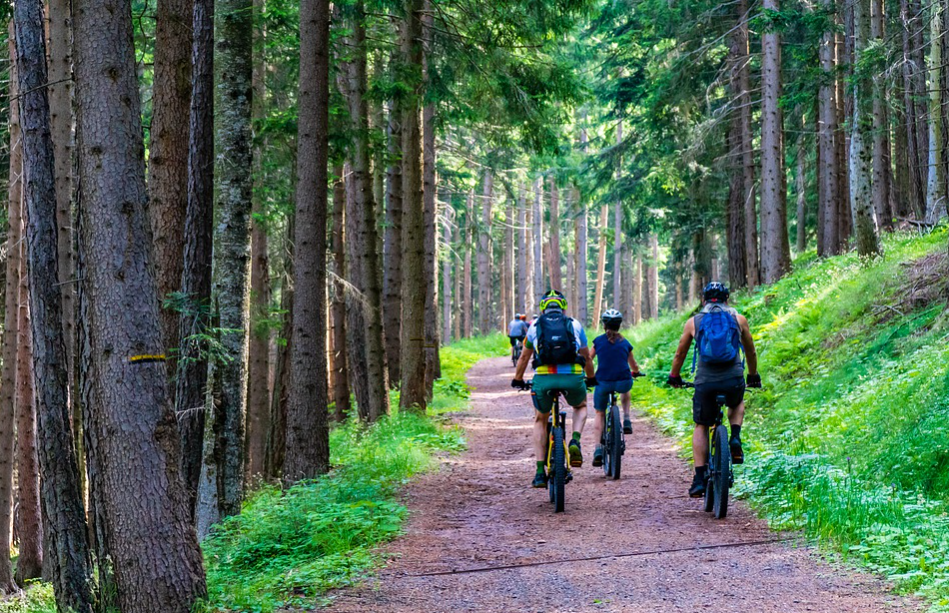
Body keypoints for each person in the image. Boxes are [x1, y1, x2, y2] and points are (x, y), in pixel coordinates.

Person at [667, 282, 761, 498]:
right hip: (733, 379)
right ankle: (734, 436)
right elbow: (751, 351)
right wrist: (753, 375)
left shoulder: (694, 322)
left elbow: (680, 354)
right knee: (736, 402)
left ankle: (699, 478)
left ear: (703, 300)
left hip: (706, 382)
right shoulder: (739, 320)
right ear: (727, 299)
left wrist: (674, 376)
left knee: (701, 424)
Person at [512, 290, 597, 488]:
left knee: (540, 419)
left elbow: (524, 357)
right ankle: (575, 440)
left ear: (543, 308)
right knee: (581, 406)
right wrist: (591, 378)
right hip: (572, 377)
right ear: (563, 307)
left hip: (544, 379)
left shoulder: (534, 326)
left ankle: (540, 472)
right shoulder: (574, 324)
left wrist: (517, 379)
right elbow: (586, 356)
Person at [589, 309, 641, 467]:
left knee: (599, 413)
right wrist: (636, 372)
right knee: (626, 387)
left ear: (604, 325)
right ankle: (626, 418)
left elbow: (588, 359)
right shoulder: (625, 343)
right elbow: (633, 365)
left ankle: (598, 448)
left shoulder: (598, 341)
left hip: (603, 382)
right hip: (623, 381)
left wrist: (588, 376)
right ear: (619, 325)